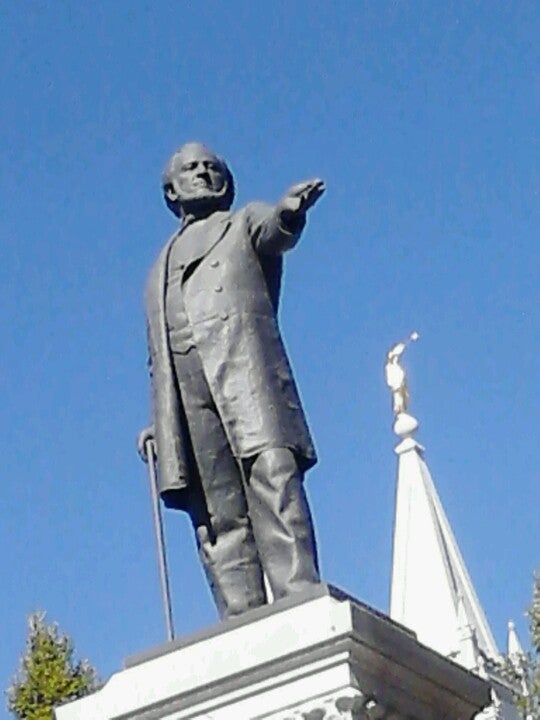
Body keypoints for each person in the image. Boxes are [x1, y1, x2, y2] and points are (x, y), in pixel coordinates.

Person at [138, 142, 325, 618]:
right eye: (190, 168)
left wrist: (289, 214)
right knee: (216, 509)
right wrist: (159, 424)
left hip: (245, 372)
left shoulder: (243, 223)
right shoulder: (156, 268)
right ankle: (240, 614)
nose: (202, 172)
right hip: (188, 389)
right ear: (170, 191)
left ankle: (297, 595)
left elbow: (274, 231)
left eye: (211, 166)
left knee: (272, 474)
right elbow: (156, 359)